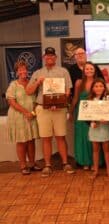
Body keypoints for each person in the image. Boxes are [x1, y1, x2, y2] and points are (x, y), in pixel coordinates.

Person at [26, 47, 75, 177]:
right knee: (46, 138)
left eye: (52, 56)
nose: (50, 58)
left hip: (59, 108)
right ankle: (47, 165)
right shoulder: (37, 73)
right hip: (42, 108)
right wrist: (37, 82)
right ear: (44, 57)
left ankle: (65, 163)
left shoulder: (63, 71)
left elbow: (68, 90)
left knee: (60, 136)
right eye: (47, 56)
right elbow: (28, 91)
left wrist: (58, 102)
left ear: (56, 57)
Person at [6, 60, 40, 175]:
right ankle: (23, 165)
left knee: (31, 140)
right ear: (16, 72)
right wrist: (26, 112)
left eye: (24, 69)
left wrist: (33, 112)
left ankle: (32, 163)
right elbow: (11, 101)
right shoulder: (13, 85)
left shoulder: (31, 83)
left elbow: (36, 99)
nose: (23, 71)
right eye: (20, 69)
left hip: (31, 115)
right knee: (22, 141)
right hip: (18, 116)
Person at [68, 62, 97, 170]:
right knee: (83, 138)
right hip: (80, 113)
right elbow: (75, 98)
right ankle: (85, 162)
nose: (89, 71)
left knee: (94, 137)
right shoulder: (79, 82)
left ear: (94, 70)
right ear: (83, 71)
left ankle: (95, 162)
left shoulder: (97, 82)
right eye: (87, 69)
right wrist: (70, 112)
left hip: (94, 113)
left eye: (91, 69)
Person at [88, 78, 109, 178]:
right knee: (95, 150)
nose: (98, 88)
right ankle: (96, 171)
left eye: (101, 86)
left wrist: (108, 119)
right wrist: (91, 123)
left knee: (107, 150)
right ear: (92, 88)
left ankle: (108, 170)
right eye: (96, 86)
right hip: (94, 127)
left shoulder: (108, 99)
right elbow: (86, 115)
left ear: (104, 87)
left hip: (105, 127)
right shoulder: (89, 100)